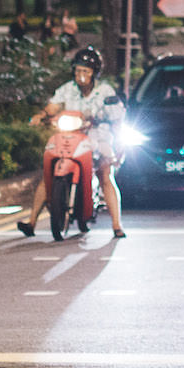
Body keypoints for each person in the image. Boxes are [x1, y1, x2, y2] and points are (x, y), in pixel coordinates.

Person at [17, 45, 127, 240]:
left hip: (97, 136)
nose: (80, 75)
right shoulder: (67, 89)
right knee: (48, 173)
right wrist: (42, 115)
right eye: (77, 70)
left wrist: (111, 126)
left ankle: (116, 225)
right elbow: (53, 106)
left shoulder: (105, 91)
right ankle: (32, 221)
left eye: (85, 71)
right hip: (69, 136)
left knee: (105, 174)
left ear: (94, 73)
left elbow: (117, 114)